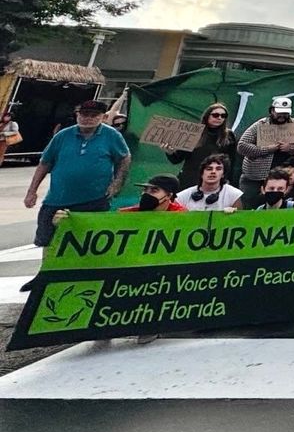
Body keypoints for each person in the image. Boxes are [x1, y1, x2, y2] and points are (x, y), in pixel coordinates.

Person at [21, 100, 131, 291]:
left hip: (94, 200)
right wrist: (32, 191)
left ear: (103, 117)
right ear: (77, 115)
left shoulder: (111, 135)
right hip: (58, 198)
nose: (87, 119)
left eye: (93, 115)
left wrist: (117, 183)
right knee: (48, 240)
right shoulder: (63, 136)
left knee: (87, 242)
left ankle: (81, 277)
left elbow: (124, 157)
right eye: (84, 114)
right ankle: (45, 274)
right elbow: (45, 162)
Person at [236, 96, 294, 205]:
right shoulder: (260, 125)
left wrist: (291, 148)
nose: (282, 116)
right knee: (251, 207)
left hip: (283, 178)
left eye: (285, 113)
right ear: (272, 110)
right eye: (279, 112)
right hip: (256, 178)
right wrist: (266, 149)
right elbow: (241, 146)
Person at [169, 102, 237, 190]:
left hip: (215, 180)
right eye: (215, 115)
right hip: (190, 179)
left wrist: (228, 180)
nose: (219, 118)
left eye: (223, 116)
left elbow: (232, 161)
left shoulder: (229, 135)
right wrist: (169, 152)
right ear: (207, 116)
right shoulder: (194, 133)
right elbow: (177, 159)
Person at [177, 154, 243, 211]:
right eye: (209, 169)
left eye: (218, 169)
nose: (213, 172)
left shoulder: (234, 195)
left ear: (223, 174)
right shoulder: (182, 197)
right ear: (202, 173)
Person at [118, 174, 187, 213]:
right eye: (145, 189)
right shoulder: (127, 214)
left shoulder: (182, 216)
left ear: (168, 195)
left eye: (154, 191)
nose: (145, 194)